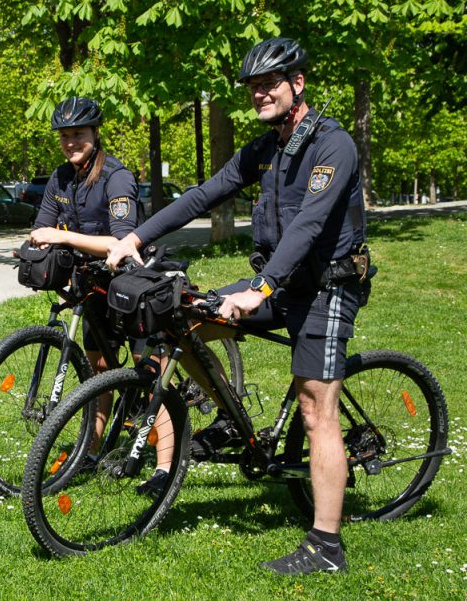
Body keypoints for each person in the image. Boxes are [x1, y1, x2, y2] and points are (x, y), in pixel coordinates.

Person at [108, 37, 366, 574]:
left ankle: (326, 546)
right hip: (281, 283)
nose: (260, 94)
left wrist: (261, 288)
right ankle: (230, 420)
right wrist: (135, 236)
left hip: (327, 286)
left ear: (298, 84)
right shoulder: (265, 149)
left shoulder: (332, 145)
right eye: (253, 87)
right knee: (186, 321)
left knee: (318, 409)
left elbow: (310, 225)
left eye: (270, 83)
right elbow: (203, 194)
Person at [29, 97, 151, 477]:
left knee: (145, 366)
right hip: (93, 283)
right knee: (99, 368)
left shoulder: (116, 177)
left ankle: (163, 458)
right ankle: (92, 449)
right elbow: (43, 228)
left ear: (95, 134)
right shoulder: (60, 178)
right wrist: (44, 242)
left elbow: (122, 242)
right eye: (64, 136)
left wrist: (65, 238)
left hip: (132, 281)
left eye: (78, 134)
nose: (70, 142)